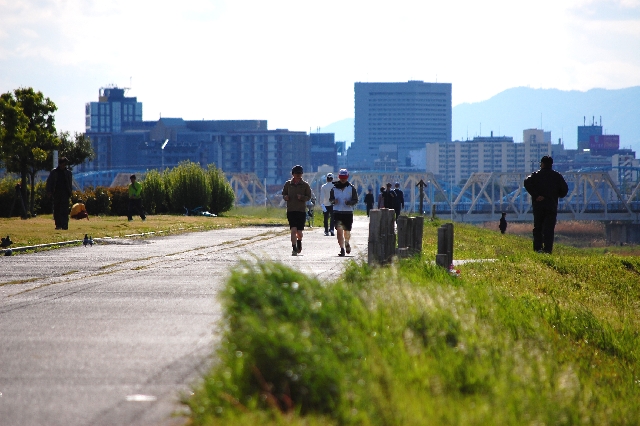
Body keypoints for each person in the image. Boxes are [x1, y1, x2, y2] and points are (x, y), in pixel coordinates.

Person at [524, 155, 569, 254]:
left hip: (538, 205)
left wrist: (536, 195)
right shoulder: (557, 176)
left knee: (538, 227)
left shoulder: (535, 175)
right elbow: (564, 190)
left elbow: (526, 182)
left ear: (542, 164)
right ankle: (548, 249)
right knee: (549, 228)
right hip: (551, 205)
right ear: (551, 164)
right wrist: (557, 194)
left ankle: (538, 249)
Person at [282, 165, 312, 256]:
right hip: (291, 210)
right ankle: (294, 248)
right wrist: (285, 197)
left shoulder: (305, 185)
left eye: (300, 173)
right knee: (293, 230)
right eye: (296, 173)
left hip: (301, 211)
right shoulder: (288, 184)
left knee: (299, 232)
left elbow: (308, 197)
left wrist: (302, 197)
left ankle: (299, 241)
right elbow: (284, 193)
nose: (298, 175)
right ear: (293, 174)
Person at [329, 169, 358, 257]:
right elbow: (330, 200)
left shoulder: (351, 188)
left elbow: (355, 200)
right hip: (337, 212)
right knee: (339, 230)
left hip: (348, 212)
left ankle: (347, 242)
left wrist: (349, 203)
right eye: (341, 177)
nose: (343, 179)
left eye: (344, 178)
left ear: (347, 177)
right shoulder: (334, 188)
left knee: (347, 231)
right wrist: (334, 201)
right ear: (339, 177)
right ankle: (342, 249)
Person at [46, 157, 73, 230]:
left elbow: (69, 184)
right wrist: (49, 191)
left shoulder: (68, 173)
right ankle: (58, 225)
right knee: (57, 209)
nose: (64, 166)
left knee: (64, 210)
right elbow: (49, 182)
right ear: (60, 164)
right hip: (56, 193)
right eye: (63, 164)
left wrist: (70, 192)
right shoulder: (54, 172)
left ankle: (65, 225)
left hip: (65, 193)